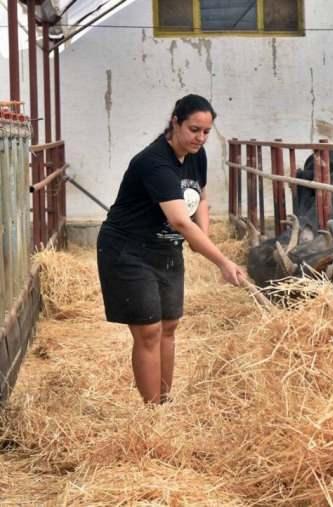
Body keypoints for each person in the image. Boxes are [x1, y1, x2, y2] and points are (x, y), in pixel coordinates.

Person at [96, 94, 246, 404]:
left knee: (169, 325)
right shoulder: (154, 162)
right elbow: (179, 220)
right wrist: (221, 261)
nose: (200, 138)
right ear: (174, 122)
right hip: (128, 250)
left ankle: (165, 401)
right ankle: (153, 414)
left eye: (206, 131)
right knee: (148, 330)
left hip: (165, 249)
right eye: (194, 129)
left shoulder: (196, 155)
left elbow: (200, 197)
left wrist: (202, 236)